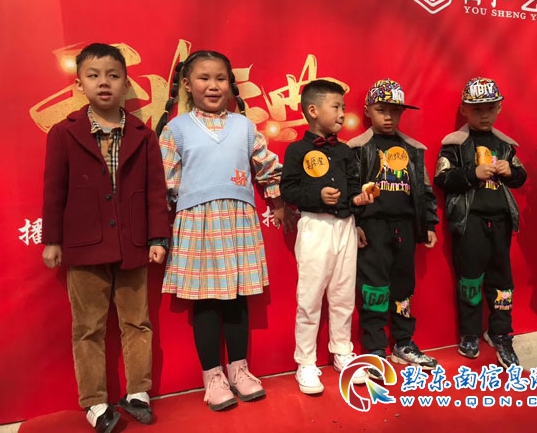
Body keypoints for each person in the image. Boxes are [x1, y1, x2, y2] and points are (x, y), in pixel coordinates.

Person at [41, 43, 170, 433]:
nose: (104, 83)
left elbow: (155, 191)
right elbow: (54, 190)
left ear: (126, 84)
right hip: (83, 246)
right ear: (79, 84)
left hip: (134, 244)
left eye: (113, 75)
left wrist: (158, 237)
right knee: (87, 328)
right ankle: (95, 402)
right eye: (93, 75)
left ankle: (139, 393)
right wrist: (52, 240)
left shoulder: (142, 135)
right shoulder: (64, 133)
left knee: (138, 322)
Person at [158, 50, 291, 411]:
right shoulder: (177, 129)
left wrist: (277, 201)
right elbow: (165, 182)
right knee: (205, 302)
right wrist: (159, 229)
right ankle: (212, 377)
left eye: (220, 78)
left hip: (238, 221)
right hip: (197, 223)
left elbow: (266, 167)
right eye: (204, 78)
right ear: (187, 84)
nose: (213, 85)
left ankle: (239, 369)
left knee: (237, 298)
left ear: (230, 84)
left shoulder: (244, 127)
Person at [280, 79, 373, 394]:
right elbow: (288, 190)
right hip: (315, 226)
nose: (342, 114)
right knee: (309, 297)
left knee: (344, 294)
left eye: (343, 108)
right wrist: (318, 195)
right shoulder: (296, 150)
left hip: (345, 226)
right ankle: (306, 361)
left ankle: (342, 351)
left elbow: (352, 187)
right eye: (336, 107)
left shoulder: (345, 151)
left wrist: (357, 200)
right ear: (313, 110)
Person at [347, 79, 439, 378]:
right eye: (381, 110)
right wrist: (354, 224)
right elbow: (350, 189)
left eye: (395, 111)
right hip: (372, 227)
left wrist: (428, 224)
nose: (388, 117)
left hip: (405, 227)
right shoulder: (357, 148)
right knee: (373, 287)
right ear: (367, 111)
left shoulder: (413, 149)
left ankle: (403, 342)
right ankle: (374, 348)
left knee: (403, 287)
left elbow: (424, 189)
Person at [434, 77, 527, 369]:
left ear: (499, 108)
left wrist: (511, 171)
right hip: (469, 222)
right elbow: (441, 178)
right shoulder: (454, 143)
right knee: (470, 280)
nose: (484, 114)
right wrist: (472, 173)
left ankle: (501, 333)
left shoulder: (506, 145)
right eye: (477, 109)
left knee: (503, 281)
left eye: (490, 108)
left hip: (500, 222)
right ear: (464, 110)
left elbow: (522, 177)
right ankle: (470, 333)